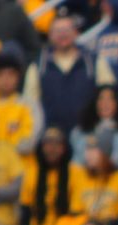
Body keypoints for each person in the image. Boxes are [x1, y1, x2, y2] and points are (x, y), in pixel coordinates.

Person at [39, 11, 97, 139]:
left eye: (66, 30)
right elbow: (31, 102)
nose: (62, 34)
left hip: (87, 135)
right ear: (50, 35)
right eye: (58, 31)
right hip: (51, 138)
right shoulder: (39, 64)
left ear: (76, 32)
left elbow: (107, 93)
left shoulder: (93, 61)